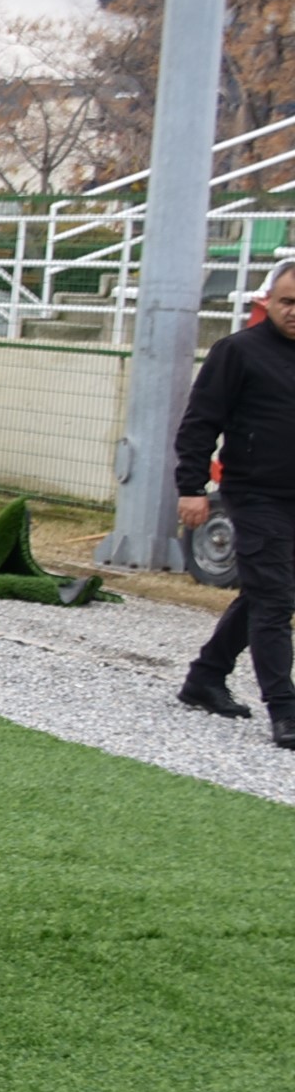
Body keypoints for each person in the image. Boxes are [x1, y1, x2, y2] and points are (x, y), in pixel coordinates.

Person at [175, 256, 295, 747]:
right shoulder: (238, 352)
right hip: (255, 493)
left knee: (264, 593)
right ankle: (285, 711)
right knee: (274, 600)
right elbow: (200, 421)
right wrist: (191, 487)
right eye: (288, 301)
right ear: (268, 301)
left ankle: (205, 677)